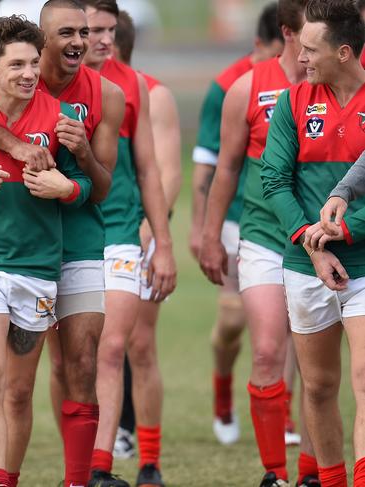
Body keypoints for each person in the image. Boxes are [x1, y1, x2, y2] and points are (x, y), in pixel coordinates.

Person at [0, 1, 125, 484]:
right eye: (16, 64)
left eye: (32, 63)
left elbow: (92, 187)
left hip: (39, 264)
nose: (28, 72)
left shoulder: (70, 114)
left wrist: (69, 186)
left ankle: (74, 476)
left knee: (25, 388)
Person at [199, 0, 319, 484]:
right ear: (289, 33)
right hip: (265, 237)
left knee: (316, 367)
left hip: (323, 243)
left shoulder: (341, 85)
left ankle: (313, 470)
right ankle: (275, 474)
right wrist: (210, 235)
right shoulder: (247, 87)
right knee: (268, 351)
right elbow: (226, 167)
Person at [261, 1, 365, 485]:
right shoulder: (293, 102)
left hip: (362, 262)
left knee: (364, 380)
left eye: (310, 49)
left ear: (344, 52)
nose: (301, 58)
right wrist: (311, 241)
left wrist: (347, 230)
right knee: (320, 387)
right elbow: (274, 180)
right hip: (306, 264)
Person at [77, 1, 177, 485]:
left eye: (107, 30)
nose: (99, 40)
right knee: (70, 363)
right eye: (90, 30)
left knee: (118, 348)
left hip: (119, 231)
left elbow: (152, 170)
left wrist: (163, 241)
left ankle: (117, 465)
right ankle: (79, 466)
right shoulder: (48, 78)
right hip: (67, 235)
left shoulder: (133, 86)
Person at [188, 1, 284, 446]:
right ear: (262, 44)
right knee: (231, 319)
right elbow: (210, 163)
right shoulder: (230, 86)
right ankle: (222, 391)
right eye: (280, 52)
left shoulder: (313, 80)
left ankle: (285, 415)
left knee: (291, 324)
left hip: (291, 223)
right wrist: (199, 227)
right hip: (235, 218)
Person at [109, 10, 182, 480]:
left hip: (139, 233)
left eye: (98, 34)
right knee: (90, 349)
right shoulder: (71, 89)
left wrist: (149, 234)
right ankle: (103, 442)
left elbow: (168, 171)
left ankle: (149, 459)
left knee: (139, 343)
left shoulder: (152, 93)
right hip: (90, 233)